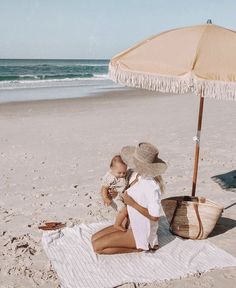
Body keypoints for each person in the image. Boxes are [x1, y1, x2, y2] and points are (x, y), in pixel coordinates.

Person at [92, 142, 167, 254]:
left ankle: (139, 247)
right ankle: (132, 240)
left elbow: (155, 217)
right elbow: (123, 190)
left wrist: (132, 203)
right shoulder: (134, 174)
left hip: (140, 230)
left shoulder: (151, 186)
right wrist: (115, 194)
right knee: (93, 239)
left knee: (97, 247)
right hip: (129, 221)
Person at [100, 155, 135, 231]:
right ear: (112, 169)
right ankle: (117, 224)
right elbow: (104, 188)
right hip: (115, 198)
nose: (122, 175)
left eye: (124, 172)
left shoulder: (121, 174)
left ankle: (124, 224)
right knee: (124, 210)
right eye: (119, 173)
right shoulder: (110, 177)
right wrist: (105, 198)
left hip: (120, 194)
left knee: (126, 212)